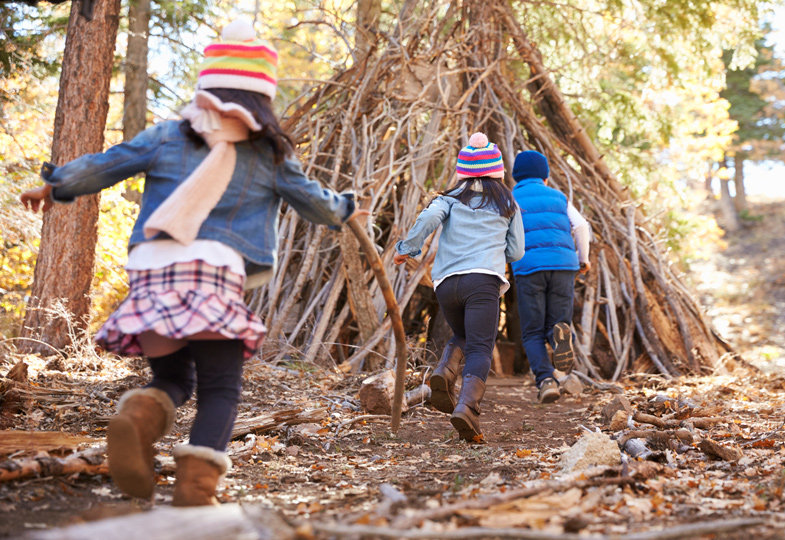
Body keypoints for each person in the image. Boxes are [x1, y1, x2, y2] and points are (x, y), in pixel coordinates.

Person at [21, 19, 365, 506]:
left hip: (151, 271)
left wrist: (55, 187)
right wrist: (348, 207)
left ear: (207, 86)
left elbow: (109, 162)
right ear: (261, 98)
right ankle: (195, 488)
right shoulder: (268, 154)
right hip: (212, 273)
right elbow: (318, 205)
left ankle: (139, 417)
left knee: (170, 379)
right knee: (220, 386)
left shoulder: (167, 135)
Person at [393, 132, 524, 442]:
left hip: (446, 283)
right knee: (480, 346)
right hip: (483, 281)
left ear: (463, 172)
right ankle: (467, 407)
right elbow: (517, 252)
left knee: (463, 335)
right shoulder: (507, 202)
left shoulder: (448, 199)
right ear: (497, 171)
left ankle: (444, 372)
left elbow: (427, 219)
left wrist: (406, 249)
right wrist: (493, 252)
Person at [510, 150, 591, 404]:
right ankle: (559, 340)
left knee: (532, 331)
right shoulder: (559, 197)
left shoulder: (511, 198)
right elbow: (580, 226)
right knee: (557, 322)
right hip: (564, 266)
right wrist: (583, 259)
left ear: (516, 177)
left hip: (529, 267)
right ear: (545, 177)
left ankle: (545, 381)